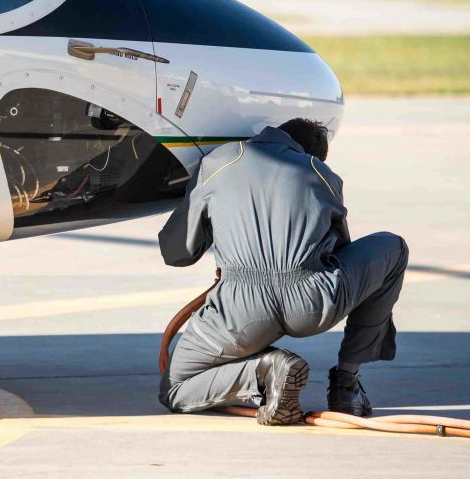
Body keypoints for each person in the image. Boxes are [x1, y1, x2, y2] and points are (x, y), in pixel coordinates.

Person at [157, 118, 409, 425]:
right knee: (393, 248)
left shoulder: (218, 163)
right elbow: (340, 251)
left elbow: (177, 253)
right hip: (313, 304)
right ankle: (346, 384)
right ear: (309, 154)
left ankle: (266, 370)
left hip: (240, 312)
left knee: (175, 388)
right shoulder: (320, 173)